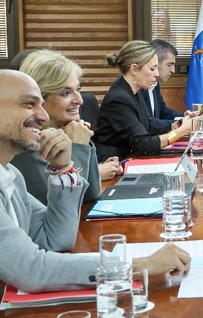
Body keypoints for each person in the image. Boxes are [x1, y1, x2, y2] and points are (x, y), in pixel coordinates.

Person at [0, 70, 191, 308]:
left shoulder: (6, 172)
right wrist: (141, 266)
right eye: (29, 104)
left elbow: (55, 239)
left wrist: (63, 169)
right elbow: (30, 269)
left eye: (41, 105)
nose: (42, 116)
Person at [12, 49, 123, 203]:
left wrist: (84, 143)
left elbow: (91, 193)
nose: (79, 100)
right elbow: (67, 202)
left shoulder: (64, 130)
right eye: (65, 93)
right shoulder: (27, 142)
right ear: (38, 98)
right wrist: (78, 147)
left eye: (78, 89)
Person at [94, 40, 194, 161]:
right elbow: (143, 144)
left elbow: (148, 125)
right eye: (152, 69)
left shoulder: (134, 92)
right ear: (134, 69)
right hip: (112, 162)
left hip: (129, 157)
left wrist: (178, 124)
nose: (157, 74)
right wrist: (182, 131)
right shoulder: (119, 98)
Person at [138, 39, 184, 133]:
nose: (173, 70)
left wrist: (186, 117)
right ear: (155, 62)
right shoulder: (138, 87)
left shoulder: (155, 84)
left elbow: (163, 112)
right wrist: (180, 123)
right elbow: (147, 123)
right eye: (169, 65)